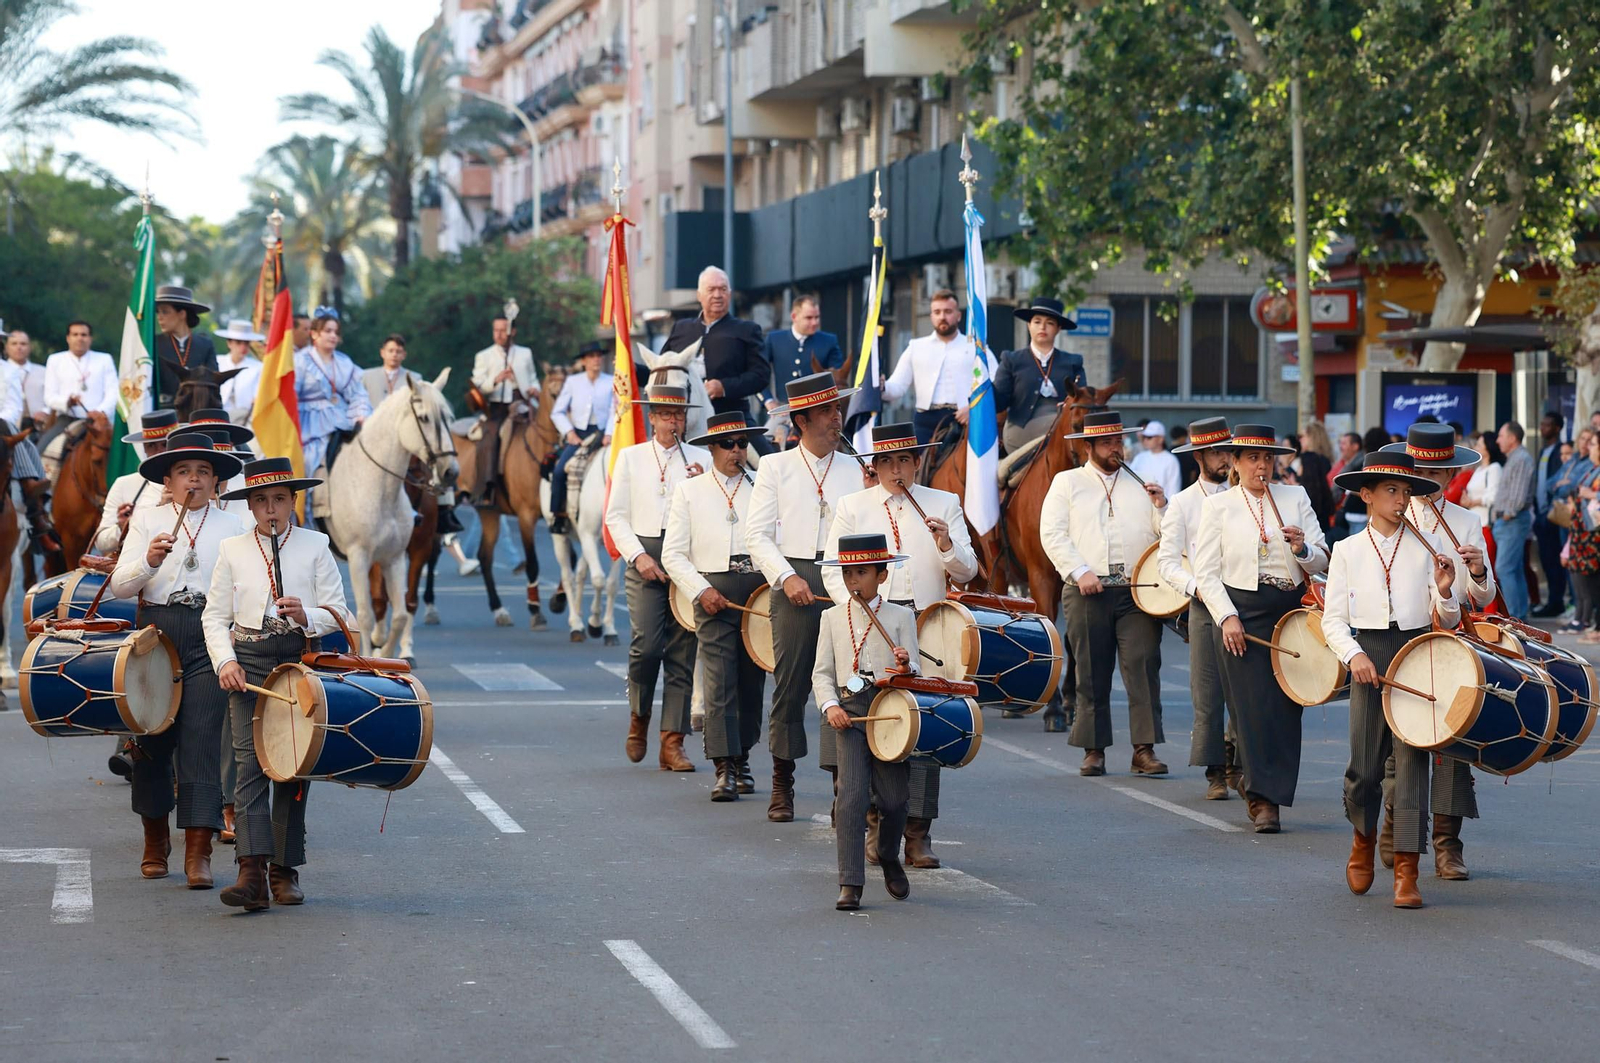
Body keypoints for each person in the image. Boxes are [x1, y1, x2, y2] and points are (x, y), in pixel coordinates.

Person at [821, 422, 978, 869]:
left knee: (924, 726)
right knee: (872, 722)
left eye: (904, 460)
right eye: (887, 462)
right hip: (870, 625)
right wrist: (860, 612)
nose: (896, 470)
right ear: (875, 466)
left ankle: (918, 833)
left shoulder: (943, 502)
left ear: (917, 462)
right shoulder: (852, 506)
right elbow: (835, 571)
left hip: (927, 628)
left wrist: (945, 542)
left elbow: (968, 571)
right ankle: (876, 823)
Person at [204, 457, 351, 911]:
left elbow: (344, 614)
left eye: (280, 500)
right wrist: (225, 661)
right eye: (262, 500)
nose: (271, 509)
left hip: (297, 664)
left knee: (292, 767)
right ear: (249, 505)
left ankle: (284, 870)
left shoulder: (315, 545)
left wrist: (310, 615)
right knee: (249, 767)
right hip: (247, 664)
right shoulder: (231, 549)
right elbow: (213, 617)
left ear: (293, 502)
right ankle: (251, 872)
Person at [1322, 451, 1460, 909]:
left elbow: (1447, 619)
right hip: (1369, 656)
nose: (1402, 500)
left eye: (1406, 491)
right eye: (1391, 491)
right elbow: (1333, 621)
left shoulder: (1426, 549)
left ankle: (1407, 869)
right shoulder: (1345, 550)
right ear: (1367, 496)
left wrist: (1444, 591)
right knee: (1364, 767)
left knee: (1411, 771)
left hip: (1416, 655)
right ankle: (1362, 841)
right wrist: (1354, 655)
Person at [109, 432, 248, 888]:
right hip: (156, 640)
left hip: (209, 638)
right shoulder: (149, 520)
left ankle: (198, 851)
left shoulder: (233, 524)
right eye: (185, 472)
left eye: (204, 472)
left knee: (202, 743)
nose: (194, 479)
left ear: (216, 481)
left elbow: (241, 592)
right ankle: (155, 842)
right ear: (167, 480)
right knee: (151, 742)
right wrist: (148, 561)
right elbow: (121, 587)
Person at [1192, 424, 1330, 832]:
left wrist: (1302, 548)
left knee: (1288, 706)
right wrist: (1226, 616)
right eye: (1252, 458)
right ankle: (1261, 798)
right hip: (1242, 611)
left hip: (1289, 611)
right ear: (1235, 462)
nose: (1262, 466)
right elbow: (1206, 572)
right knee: (1250, 708)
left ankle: (1277, 791)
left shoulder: (1295, 496)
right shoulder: (1219, 506)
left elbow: (1322, 558)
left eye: (1268, 458)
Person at [1375, 424, 1496, 879]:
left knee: (1452, 741)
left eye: (1439, 470)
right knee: (1400, 739)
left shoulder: (1465, 521)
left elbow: (1482, 598)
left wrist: (1478, 570)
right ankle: (1396, 827)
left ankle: (1448, 844)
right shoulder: (1393, 514)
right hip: (1404, 638)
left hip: (1451, 643)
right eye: (1421, 469)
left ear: (1450, 474)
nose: (1430, 477)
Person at [745, 372, 863, 820]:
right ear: (803, 420)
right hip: (793, 577)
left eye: (838, 410)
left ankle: (841, 785)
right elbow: (757, 536)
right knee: (791, 683)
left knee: (846, 683)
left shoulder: (855, 468)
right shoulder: (775, 467)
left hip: (845, 579)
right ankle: (782, 781)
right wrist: (786, 577)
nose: (838, 419)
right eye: (829, 412)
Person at [1040, 410, 1170, 776]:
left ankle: (1144, 749)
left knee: (1144, 664)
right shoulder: (1067, 483)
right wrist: (1080, 571)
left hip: (1136, 590)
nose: (1117, 449)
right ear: (1089, 447)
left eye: (1120, 441)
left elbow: (1166, 535)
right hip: (1086, 589)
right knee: (1091, 669)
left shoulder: (1141, 483)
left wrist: (1162, 506)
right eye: (1108, 443)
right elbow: (1052, 533)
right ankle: (1093, 748)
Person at [603, 384, 709, 772]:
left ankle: (673, 741)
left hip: (686, 557)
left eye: (679, 414)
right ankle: (639, 715)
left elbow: (717, 509)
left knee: (683, 650)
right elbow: (615, 516)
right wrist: (639, 556)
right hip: (644, 553)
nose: (673, 421)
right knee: (647, 645)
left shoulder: (701, 458)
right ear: (652, 418)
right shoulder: (630, 458)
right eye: (665, 414)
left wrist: (705, 486)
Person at [661, 412, 766, 800]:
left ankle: (742, 756)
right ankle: (723, 767)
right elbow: (673, 554)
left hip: (756, 592)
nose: (736, 451)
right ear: (712, 449)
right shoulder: (690, 491)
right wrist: (700, 590)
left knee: (751, 682)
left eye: (742, 444)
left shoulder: (761, 488)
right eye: (728, 444)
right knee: (720, 679)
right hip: (711, 591)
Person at [812, 531, 918, 911]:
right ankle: (850, 882)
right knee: (851, 797)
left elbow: (916, 673)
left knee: (894, 800)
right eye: (847, 575)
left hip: (890, 711)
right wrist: (830, 707)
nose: (853, 582)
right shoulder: (831, 618)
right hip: (850, 712)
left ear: (882, 576)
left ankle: (889, 854)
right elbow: (821, 674)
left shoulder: (902, 617)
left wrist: (907, 666)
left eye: (861, 573)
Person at [1161, 418, 1239, 800]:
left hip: (1245, 601)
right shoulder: (1182, 503)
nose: (1225, 459)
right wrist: (1198, 590)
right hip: (1205, 606)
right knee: (1207, 693)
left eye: (1229, 451)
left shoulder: (1247, 495)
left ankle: (1238, 760)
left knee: (1246, 691)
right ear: (1199, 457)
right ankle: (1215, 773)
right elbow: (1167, 563)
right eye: (1217, 452)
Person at [662, 266, 769, 421]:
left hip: (732, 418)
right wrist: (633, 370)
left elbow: (761, 376)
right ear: (699, 295)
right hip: (683, 419)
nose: (718, 295)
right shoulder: (681, 328)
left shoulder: (747, 330)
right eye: (711, 289)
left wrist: (724, 387)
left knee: (763, 446)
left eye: (723, 289)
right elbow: (660, 371)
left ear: (730, 295)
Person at [294, 310, 370, 516]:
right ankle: (307, 512)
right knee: (309, 459)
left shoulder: (344, 362)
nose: (333, 336)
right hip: (310, 422)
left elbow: (358, 394)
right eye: (328, 331)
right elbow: (291, 394)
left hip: (342, 418)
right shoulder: (300, 360)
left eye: (336, 332)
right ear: (314, 334)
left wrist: (360, 415)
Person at [992, 297, 1087, 453]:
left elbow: (1082, 400)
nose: (1042, 327)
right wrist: (983, 385)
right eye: (1037, 322)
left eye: (1049, 323)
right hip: (1021, 429)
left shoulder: (1072, 362)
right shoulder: (1012, 360)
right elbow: (1000, 403)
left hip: (1063, 429)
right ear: (1029, 325)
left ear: (1058, 328)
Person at [883, 289, 977, 446]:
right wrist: (880, 386)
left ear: (958, 315)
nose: (942, 317)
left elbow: (993, 384)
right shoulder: (916, 347)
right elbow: (897, 387)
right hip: (925, 421)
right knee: (917, 467)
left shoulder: (975, 347)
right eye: (937, 312)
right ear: (931, 316)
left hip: (963, 419)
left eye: (948, 311)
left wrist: (973, 409)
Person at [90, 410, 181, 556]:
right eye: (151, 446)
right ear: (144, 448)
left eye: (164, 444)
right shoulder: (125, 484)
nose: (158, 451)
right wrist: (121, 527)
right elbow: (101, 542)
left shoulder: (194, 483)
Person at [468, 315, 538, 502]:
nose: (498, 334)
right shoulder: (484, 356)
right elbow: (477, 385)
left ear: (512, 332)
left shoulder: (525, 353)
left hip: (522, 404)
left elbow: (533, 378)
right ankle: (488, 487)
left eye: (503, 330)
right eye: (496, 330)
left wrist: (534, 389)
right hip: (496, 408)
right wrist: (496, 380)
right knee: (491, 438)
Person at [549, 342, 613, 535]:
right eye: (592, 356)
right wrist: (569, 433)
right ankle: (558, 515)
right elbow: (557, 412)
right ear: (584, 361)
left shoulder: (610, 381)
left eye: (599, 356)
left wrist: (609, 432)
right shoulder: (573, 382)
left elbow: (615, 409)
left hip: (603, 433)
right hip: (579, 434)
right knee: (560, 470)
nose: (596, 359)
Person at [762, 295, 843, 447]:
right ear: (794, 316)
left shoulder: (829, 341)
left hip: (818, 411)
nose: (815, 322)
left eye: (817, 317)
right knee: (765, 447)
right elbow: (759, 374)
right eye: (809, 318)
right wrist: (769, 401)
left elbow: (837, 378)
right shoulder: (774, 339)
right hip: (783, 410)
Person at [40, 320, 117, 469]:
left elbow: (113, 392)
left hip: (98, 423)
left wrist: (100, 411)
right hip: (67, 420)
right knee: (40, 451)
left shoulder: (104, 359)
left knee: (116, 453)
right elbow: (49, 397)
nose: (80, 338)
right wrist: (67, 401)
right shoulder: (55, 360)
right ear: (68, 338)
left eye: (84, 335)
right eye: (75, 334)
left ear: (90, 339)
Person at [1492, 421, 1536, 618]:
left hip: (1512, 520)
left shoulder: (1521, 459)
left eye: (1501, 435)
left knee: (1505, 568)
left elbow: (1517, 499)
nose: (1498, 440)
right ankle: (1519, 617)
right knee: (1514, 569)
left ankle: (1514, 617)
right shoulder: (1515, 458)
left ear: (1512, 438)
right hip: (1508, 521)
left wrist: (1507, 515)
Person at [152, 286, 219, 407]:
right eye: (158, 312)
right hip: (163, 413)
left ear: (182, 314)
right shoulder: (154, 344)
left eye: (165, 311)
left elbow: (213, 381)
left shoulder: (205, 345)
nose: (159, 317)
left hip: (197, 413)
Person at [1532, 411, 1569, 617]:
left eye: (1547, 425)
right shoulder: (1543, 450)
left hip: (1554, 515)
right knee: (1546, 560)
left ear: (1557, 428)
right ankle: (1552, 601)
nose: (1542, 428)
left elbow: (1557, 483)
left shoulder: (1559, 452)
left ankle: (1557, 602)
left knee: (1555, 561)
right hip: (1541, 513)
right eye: (1542, 424)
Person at [214, 319, 265, 425]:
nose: (243, 347)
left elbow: (257, 397)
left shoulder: (257, 367)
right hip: (217, 415)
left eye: (246, 343)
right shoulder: (217, 362)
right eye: (238, 343)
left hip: (245, 418)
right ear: (229, 343)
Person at [4, 324, 47, 426]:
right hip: (7, 425)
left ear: (30, 347)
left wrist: (45, 411)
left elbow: (51, 395)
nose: (19, 347)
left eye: (23, 344)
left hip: (38, 426)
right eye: (14, 344)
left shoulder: (43, 371)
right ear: (6, 347)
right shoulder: (3, 370)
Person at [1130, 420, 1182, 499]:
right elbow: (1130, 480)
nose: (1146, 440)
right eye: (1144, 437)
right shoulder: (1139, 457)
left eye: (1149, 437)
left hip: (1162, 506)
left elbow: (1173, 489)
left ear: (1161, 439)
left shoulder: (1171, 460)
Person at [361, 333, 410, 412]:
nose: (394, 354)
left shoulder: (413, 378)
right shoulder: (366, 376)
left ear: (404, 355)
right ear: (382, 353)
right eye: (390, 351)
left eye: (398, 352)